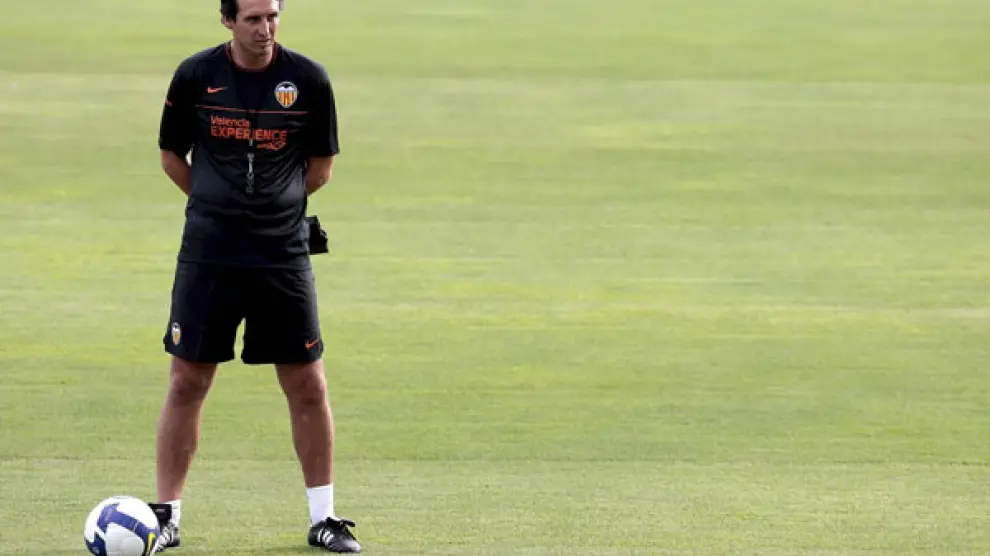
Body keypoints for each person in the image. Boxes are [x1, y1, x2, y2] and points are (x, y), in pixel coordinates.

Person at [149, 0, 360, 552]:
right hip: (209, 253)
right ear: (227, 20)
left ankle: (324, 518)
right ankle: (166, 516)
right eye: (253, 19)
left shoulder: (308, 80)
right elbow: (171, 154)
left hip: (281, 255)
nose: (265, 29)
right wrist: (216, 203)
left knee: (307, 383)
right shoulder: (195, 75)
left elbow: (320, 169)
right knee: (187, 381)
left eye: (273, 16)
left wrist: (271, 209)